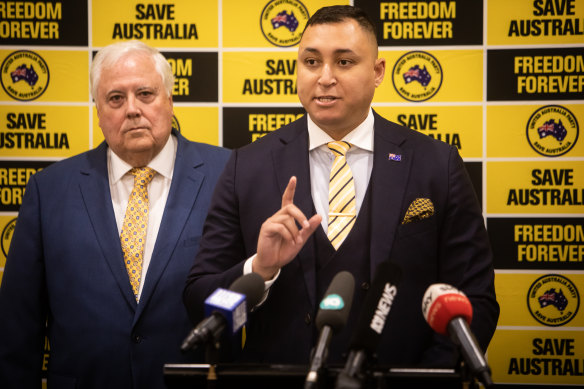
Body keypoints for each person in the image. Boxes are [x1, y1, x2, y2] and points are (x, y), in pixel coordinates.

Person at [183, 5, 499, 368]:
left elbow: (475, 298)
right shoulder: (246, 166)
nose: (325, 77)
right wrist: (259, 270)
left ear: (378, 72)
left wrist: (426, 377)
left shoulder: (435, 164)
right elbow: (198, 300)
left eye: (344, 62)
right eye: (311, 62)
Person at [0, 41, 230, 388]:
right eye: (116, 98)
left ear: (169, 101)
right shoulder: (49, 191)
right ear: (98, 109)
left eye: (145, 94)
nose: (132, 109)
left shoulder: (228, 174)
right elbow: (18, 328)